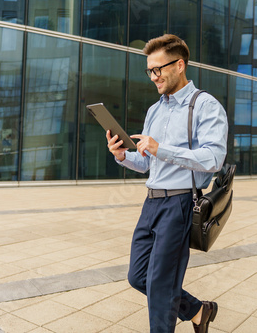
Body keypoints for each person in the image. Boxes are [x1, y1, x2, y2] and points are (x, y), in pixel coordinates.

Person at [106, 34, 228, 333]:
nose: (154, 76)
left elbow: (213, 158)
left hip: (180, 202)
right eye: (150, 70)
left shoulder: (205, 106)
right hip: (152, 202)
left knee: (161, 284)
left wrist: (162, 148)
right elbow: (148, 162)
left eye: (159, 69)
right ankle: (199, 310)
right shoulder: (154, 110)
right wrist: (123, 156)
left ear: (180, 65)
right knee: (138, 276)